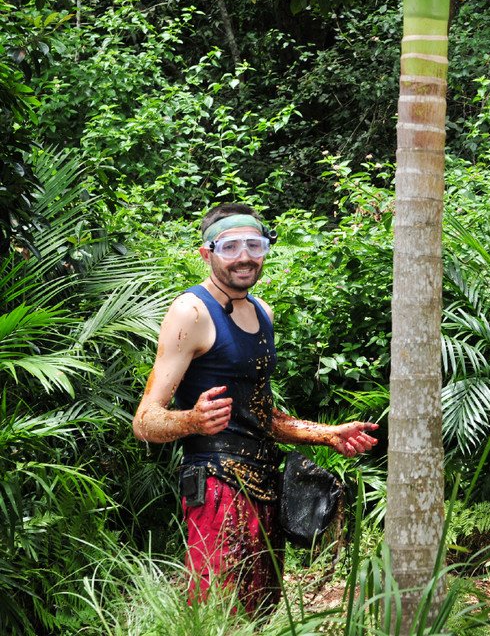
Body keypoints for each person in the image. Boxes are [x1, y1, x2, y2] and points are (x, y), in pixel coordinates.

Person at [133, 203, 378, 615]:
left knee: (260, 608)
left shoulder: (263, 311)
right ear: (207, 253)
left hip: (264, 483)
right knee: (218, 608)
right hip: (215, 483)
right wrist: (192, 420)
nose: (244, 256)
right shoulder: (191, 312)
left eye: (254, 245)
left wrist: (328, 434)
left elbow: (264, 414)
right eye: (230, 247)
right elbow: (144, 421)